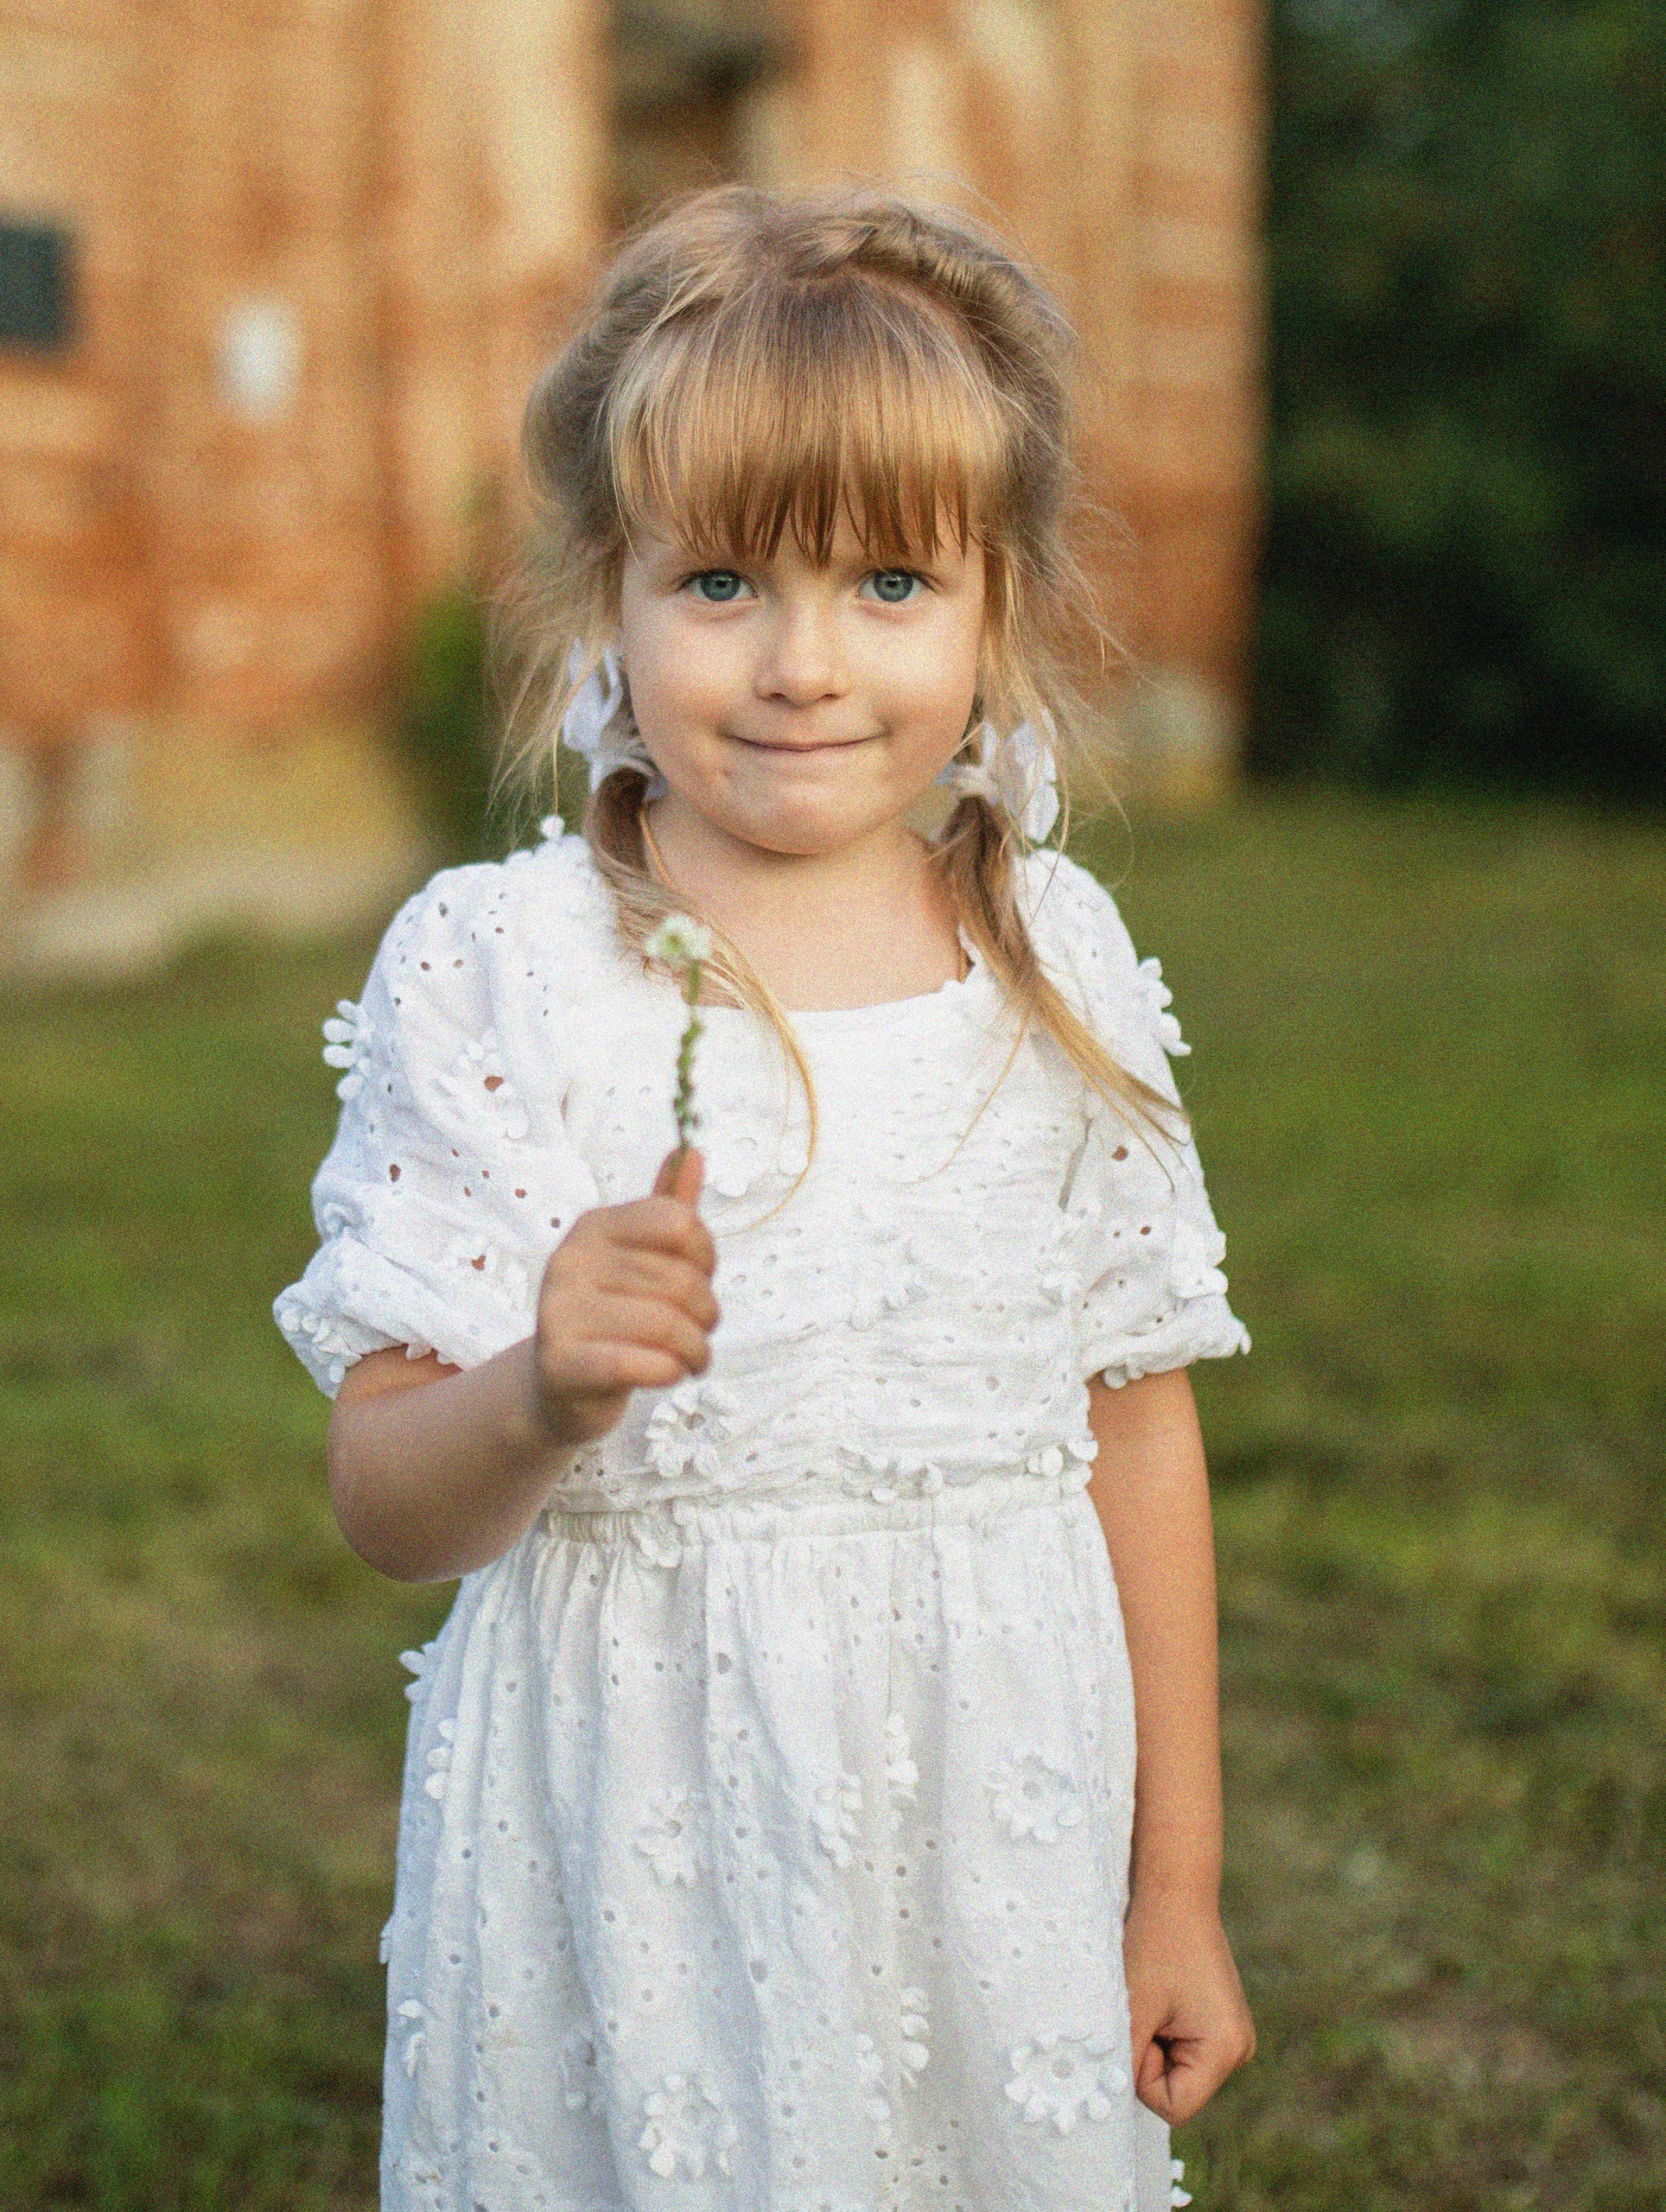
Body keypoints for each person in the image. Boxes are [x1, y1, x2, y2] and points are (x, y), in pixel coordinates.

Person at [274, 181, 1256, 2212]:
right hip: (628, 1831)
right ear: (603, 597)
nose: (805, 664)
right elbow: (386, 1503)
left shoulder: (1051, 963)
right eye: (720, 581)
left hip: (991, 1820)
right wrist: (537, 1385)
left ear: (997, 605)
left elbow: (1133, 1426)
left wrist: (1174, 1887)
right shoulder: (500, 966)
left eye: (889, 583)